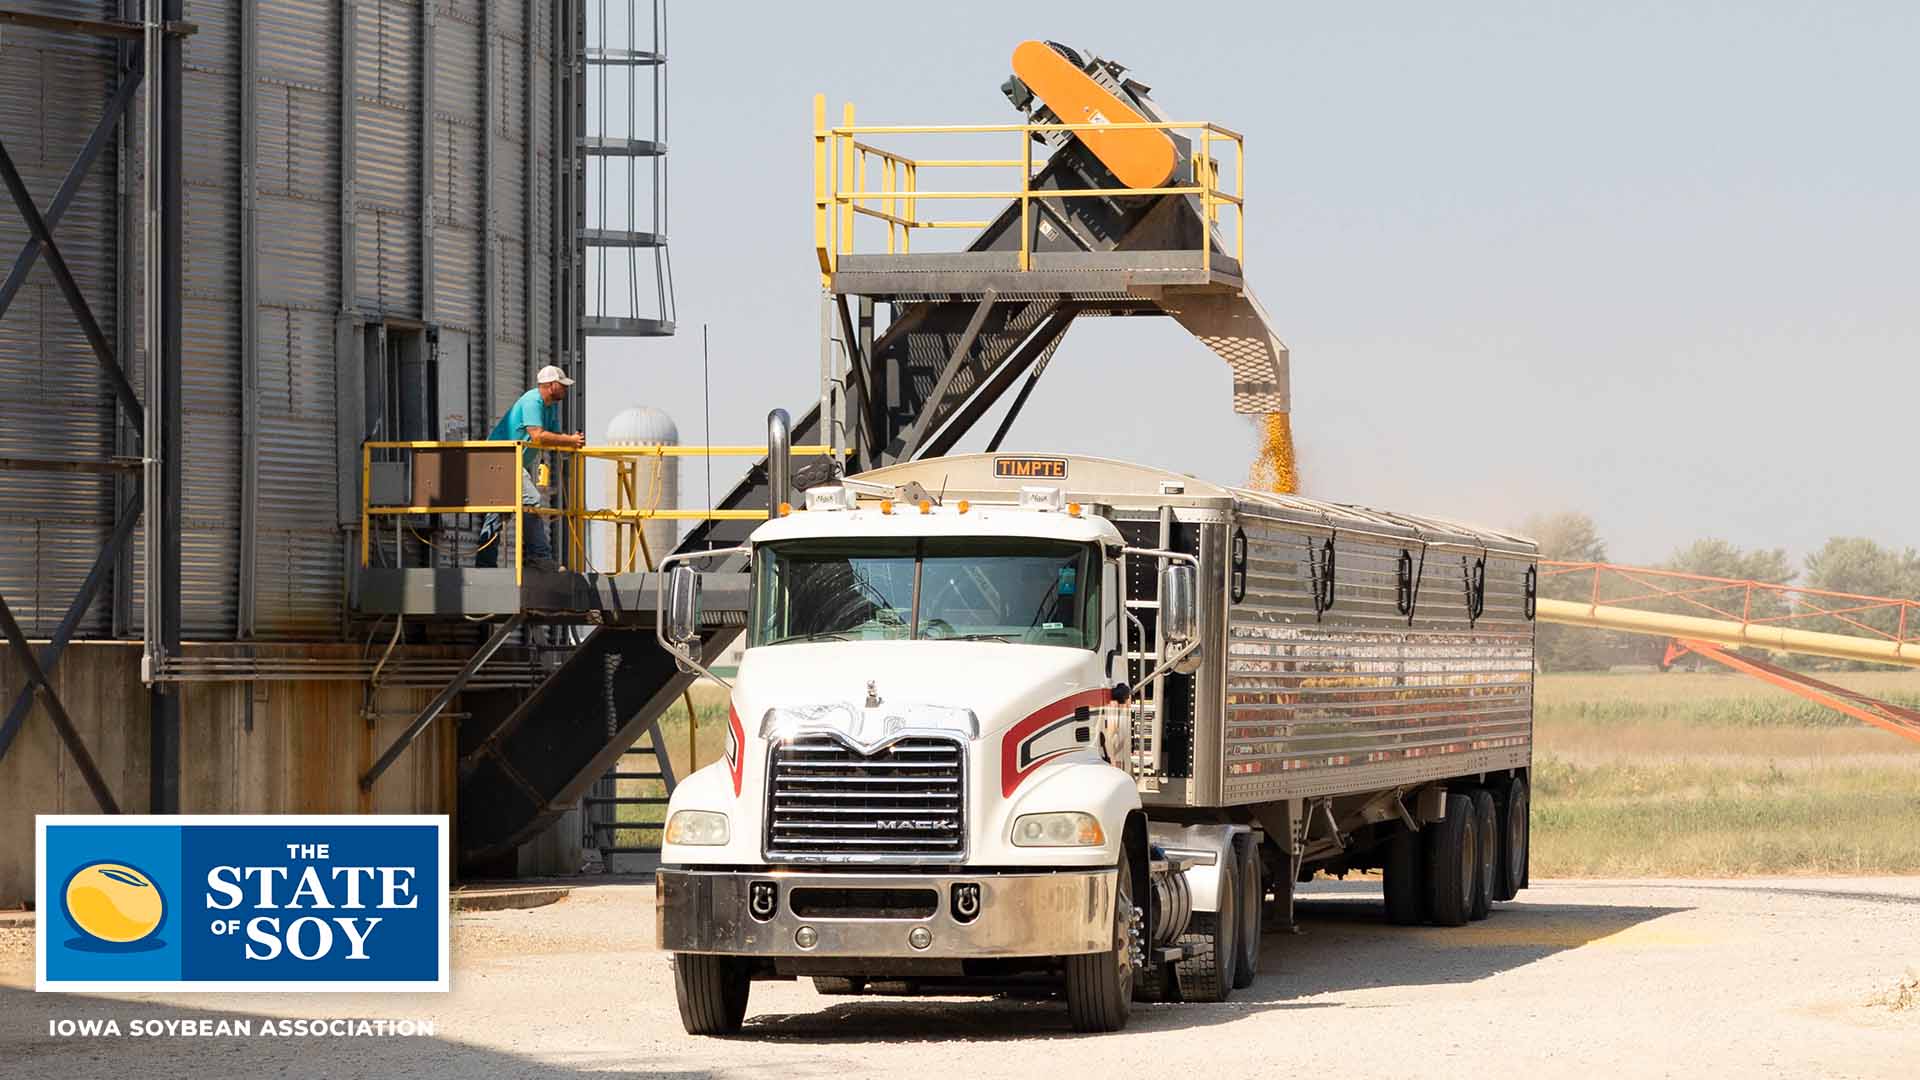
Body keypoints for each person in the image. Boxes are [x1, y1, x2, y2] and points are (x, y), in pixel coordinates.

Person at [475, 366, 586, 571]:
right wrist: (570, 440)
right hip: (499, 458)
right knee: (530, 499)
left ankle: (484, 565)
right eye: (562, 385)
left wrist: (567, 442)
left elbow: (552, 433)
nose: (565, 389)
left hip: (508, 460)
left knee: (498, 512)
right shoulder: (532, 400)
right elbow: (538, 435)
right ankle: (538, 556)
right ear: (551, 385)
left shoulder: (549, 405)